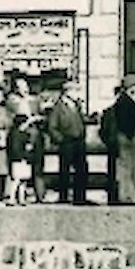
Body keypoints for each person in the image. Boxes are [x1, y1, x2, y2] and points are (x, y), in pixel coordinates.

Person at [101, 76, 135, 205]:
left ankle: (130, 193)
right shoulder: (126, 102)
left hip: (130, 138)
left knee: (132, 167)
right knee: (127, 168)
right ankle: (126, 195)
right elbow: (131, 120)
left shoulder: (130, 101)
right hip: (128, 138)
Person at [44, 78, 89, 206]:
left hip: (78, 141)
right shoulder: (58, 107)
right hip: (67, 141)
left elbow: (81, 121)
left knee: (82, 169)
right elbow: (52, 126)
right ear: (67, 92)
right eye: (75, 91)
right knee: (65, 170)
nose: (77, 94)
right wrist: (60, 139)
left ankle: (80, 196)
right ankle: (63, 196)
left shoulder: (77, 106)